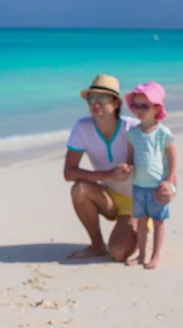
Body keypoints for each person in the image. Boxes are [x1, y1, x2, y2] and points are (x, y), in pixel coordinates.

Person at [63, 74, 141, 261]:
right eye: (91, 98)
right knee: (79, 189)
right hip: (110, 197)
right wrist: (109, 175)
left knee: (118, 253)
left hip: (137, 202)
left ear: (116, 103)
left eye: (103, 98)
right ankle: (96, 244)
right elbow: (69, 172)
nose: (95, 103)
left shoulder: (133, 128)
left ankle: (141, 232)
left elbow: (157, 166)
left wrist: (132, 168)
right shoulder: (82, 127)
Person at [124, 81, 177, 269]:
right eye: (136, 105)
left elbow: (172, 159)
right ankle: (141, 255)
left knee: (158, 222)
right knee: (141, 222)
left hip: (157, 187)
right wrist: (127, 167)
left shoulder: (163, 133)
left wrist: (169, 183)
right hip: (139, 186)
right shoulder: (132, 134)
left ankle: (156, 256)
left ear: (156, 108)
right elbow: (130, 158)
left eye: (144, 106)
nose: (139, 110)